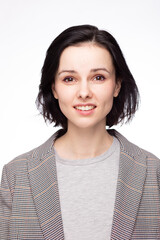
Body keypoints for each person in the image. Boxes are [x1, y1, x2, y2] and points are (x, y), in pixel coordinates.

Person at [0, 25, 159, 240]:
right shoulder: (16, 175)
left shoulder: (152, 171)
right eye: (69, 79)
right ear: (54, 88)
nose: (84, 92)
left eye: (99, 77)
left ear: (117, 85)